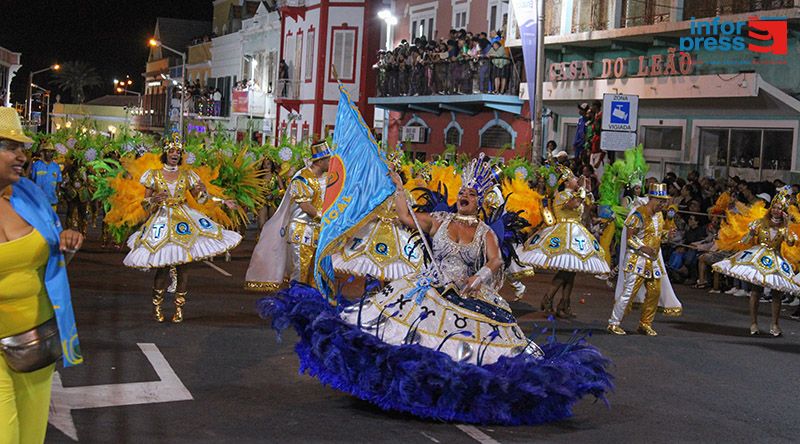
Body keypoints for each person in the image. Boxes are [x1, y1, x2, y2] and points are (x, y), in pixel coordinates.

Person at [259, 152, 612, 425]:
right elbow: (405, 217)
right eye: (462, 192)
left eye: (470, 195)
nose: (463, 197)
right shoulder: (439, 221)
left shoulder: (485, 234)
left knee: (466, 356)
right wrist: (398, 186)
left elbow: (495, 262)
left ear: (481, 203)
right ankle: (392, 387)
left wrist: (479, 279)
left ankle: (442, 396)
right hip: (428, 289)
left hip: (470, 296)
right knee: (399, 338)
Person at [0, 107, 83, 443]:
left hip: (35, 342)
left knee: (31, 436)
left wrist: (67, 246)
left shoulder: (30, 195)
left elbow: (51, 263)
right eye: (10, 147)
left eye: (24, 148)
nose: (23, 155)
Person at [123, 135, 241, 323]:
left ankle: (179, 307)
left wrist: (220, 200)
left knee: (183, 267)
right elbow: (144, 205)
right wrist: (153, 200)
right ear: (165, 153)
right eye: (172, 151)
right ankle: (157, 306)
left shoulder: (187, 175)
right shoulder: (153, 175)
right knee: (161, 267)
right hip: (162, 220)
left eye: (178, 152)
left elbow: (201, 199)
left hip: (183, 220)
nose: (175, 154)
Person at [516, 165, 610, 317]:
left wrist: (588, 191)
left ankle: (564, 304)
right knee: (566, 270)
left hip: (576, 233)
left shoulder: (575, 193)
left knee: (571, 272)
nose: (576, 180)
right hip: (563, 234)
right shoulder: (562, 195)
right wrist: (582, 191)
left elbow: (588, 205)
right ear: (566, 182)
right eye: (573, 179)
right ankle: (548, 298)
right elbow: (573, 204)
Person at [246, 141, 331, 290]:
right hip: (301, 231)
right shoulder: (302, 179)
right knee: (300, 273)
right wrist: (326, 219)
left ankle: (312, 306)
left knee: (317, 275)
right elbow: (306, 207)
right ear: (320, 160)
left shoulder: (324, 179)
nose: (331, 163)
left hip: (318, 232)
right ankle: (295, 306)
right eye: (329, 159)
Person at [713, 188, 799, 336]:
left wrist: (787, 226)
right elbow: (745, 241)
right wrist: (750, 234)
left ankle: (775, 324)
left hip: (776, 259)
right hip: (758, 257)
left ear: (784, 211)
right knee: (755, 291)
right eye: (775, 207)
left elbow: (791, 243)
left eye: (780, 208)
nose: (777, 210)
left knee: (777, 293)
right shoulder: (759, 223)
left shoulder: (784, 228)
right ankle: (753, 323)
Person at [608, 183, 682, 336]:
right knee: (629, 292)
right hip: (637, 259)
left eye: (664, 201)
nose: (663, 204)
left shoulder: (660, 216)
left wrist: (668, 235)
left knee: (655, 292)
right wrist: (642, 247)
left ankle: (645, 323)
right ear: (651, 199)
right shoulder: (638, 214)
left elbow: (658, 236)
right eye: (660, 201)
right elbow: (629, 238)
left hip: (653, 261)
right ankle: (614, 323)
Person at [28, 142, 61, 210]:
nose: (50, 154)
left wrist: (58, 195)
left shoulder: (56, 167)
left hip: (52, 201)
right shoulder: (36, 165)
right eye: (48, 152)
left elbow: (58, 184)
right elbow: (32, 181)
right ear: (43, 153)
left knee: (51, 220)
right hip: (38, 201)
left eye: (52, 152)